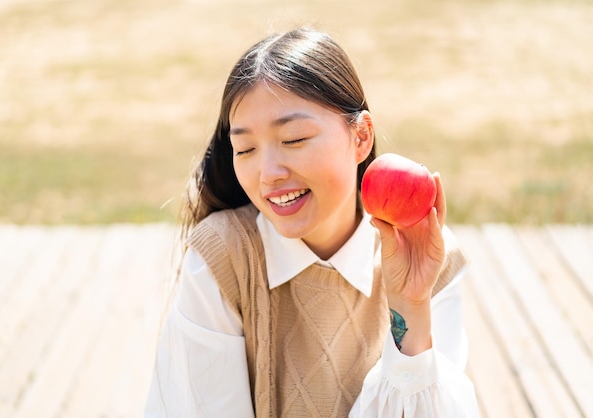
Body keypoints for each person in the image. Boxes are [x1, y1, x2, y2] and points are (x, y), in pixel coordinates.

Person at [144, 27, 480, 417]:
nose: (268, 173)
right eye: (246, 148)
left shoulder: (427, 257)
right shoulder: (223, 258)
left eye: (294, 140)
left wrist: (412, 304)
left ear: (361, 137)